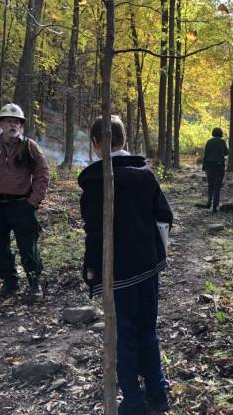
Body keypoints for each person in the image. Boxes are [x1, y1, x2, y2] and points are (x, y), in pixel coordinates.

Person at [79, 115, 173, 415]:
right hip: (147, 267)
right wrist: (158, 250)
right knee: (147, 329)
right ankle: (157, 392)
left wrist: (91, 268)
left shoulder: (97, 182)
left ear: (96, 144)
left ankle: (133, 402)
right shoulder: (144, 173)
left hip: (117, 272)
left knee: (124, 337)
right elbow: (165, 216)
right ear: (125, 141)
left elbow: (95, 231)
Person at [0, 103, 50, 302]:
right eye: (9, 120)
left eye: (17, 121)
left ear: (21, 126)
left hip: (22, 205)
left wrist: (33, 201)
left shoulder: (29, 146)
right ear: (0, 124)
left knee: (28, 247)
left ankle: (34, 283)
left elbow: (43, 174)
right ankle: (9, 282)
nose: (13, 124)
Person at [202, 127, 228, 212]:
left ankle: (209, 200)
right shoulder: (222, 142)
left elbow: (205, 154)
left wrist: (204, 166)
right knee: (217, 186)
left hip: (209, 165)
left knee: (210, 184)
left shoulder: (209, 142)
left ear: (213, 133)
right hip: (219, 165)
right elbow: (226, 153)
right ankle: (215, 206)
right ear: (220, 133)